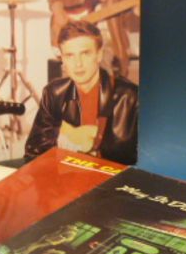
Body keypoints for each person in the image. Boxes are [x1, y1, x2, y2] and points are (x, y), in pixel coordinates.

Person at [24, 21, 138, 164]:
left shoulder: (131, 97)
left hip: (114, 177)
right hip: (66, 175)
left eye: (85, 54)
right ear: (62, 59)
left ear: (99, 55)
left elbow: (146, 163)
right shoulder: (54, 93)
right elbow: (34, 153)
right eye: (70, 55)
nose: (78, 64)